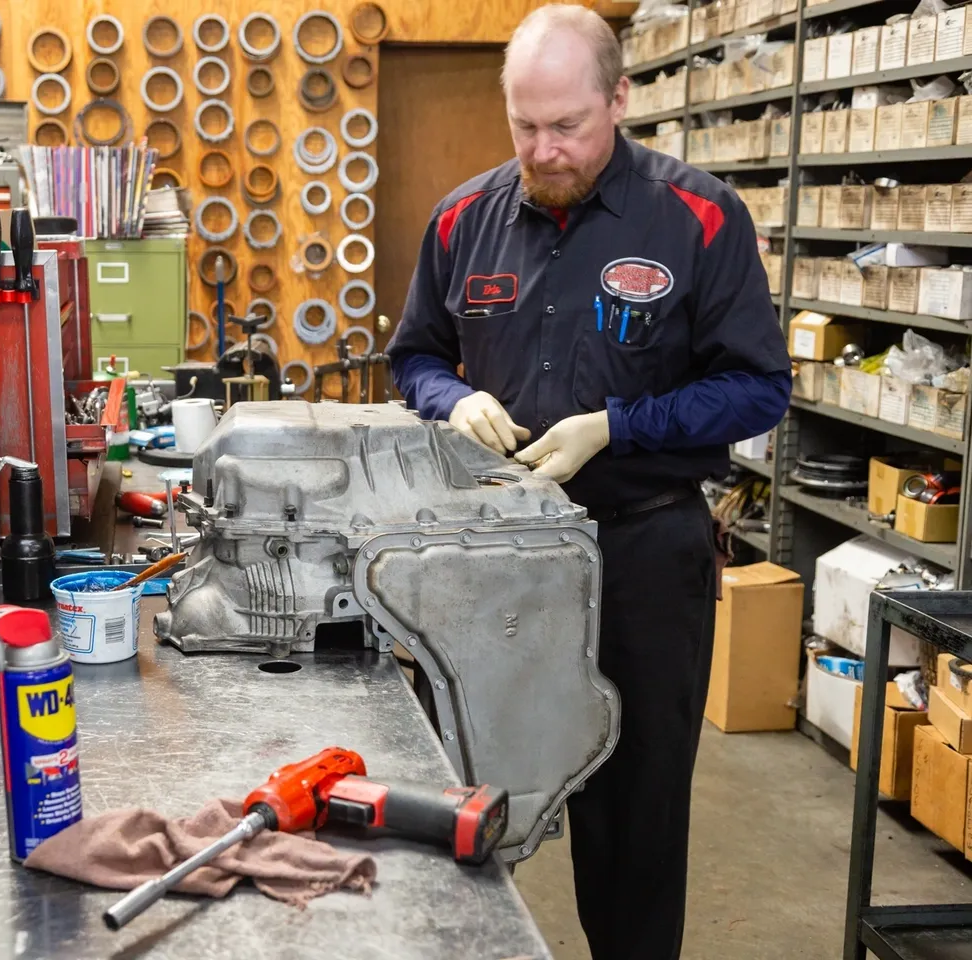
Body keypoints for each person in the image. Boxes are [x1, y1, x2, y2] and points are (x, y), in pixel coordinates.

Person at [387, 5, 791, 958]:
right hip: (492, 560)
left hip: (645, 552)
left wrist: (618, 427)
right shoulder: (461, 220)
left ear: (619, 99)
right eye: (524, 126)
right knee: (474, 786)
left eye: (566, 126)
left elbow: (759, 387)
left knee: (637, 810)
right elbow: (413, 357)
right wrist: (452, 399)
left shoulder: (698, 217)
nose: (544, 149)